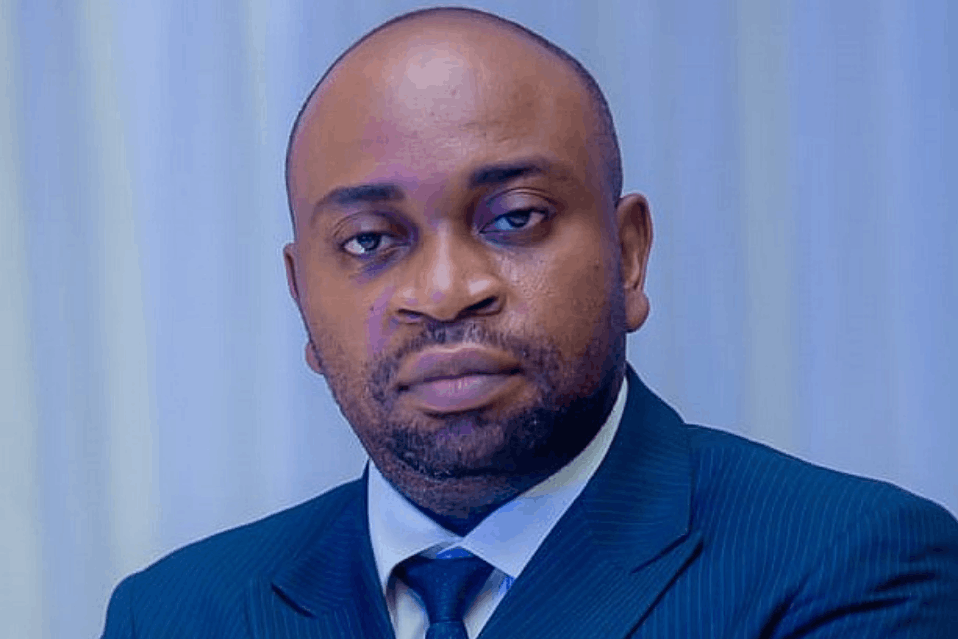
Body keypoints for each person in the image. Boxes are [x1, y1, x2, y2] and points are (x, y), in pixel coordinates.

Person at [100, 7, 958, 638]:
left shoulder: (853, 565)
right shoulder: (174, 614)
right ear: (301, 296)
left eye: (514, 218)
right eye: (369, 240)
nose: (444, 291)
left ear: (629, 255)